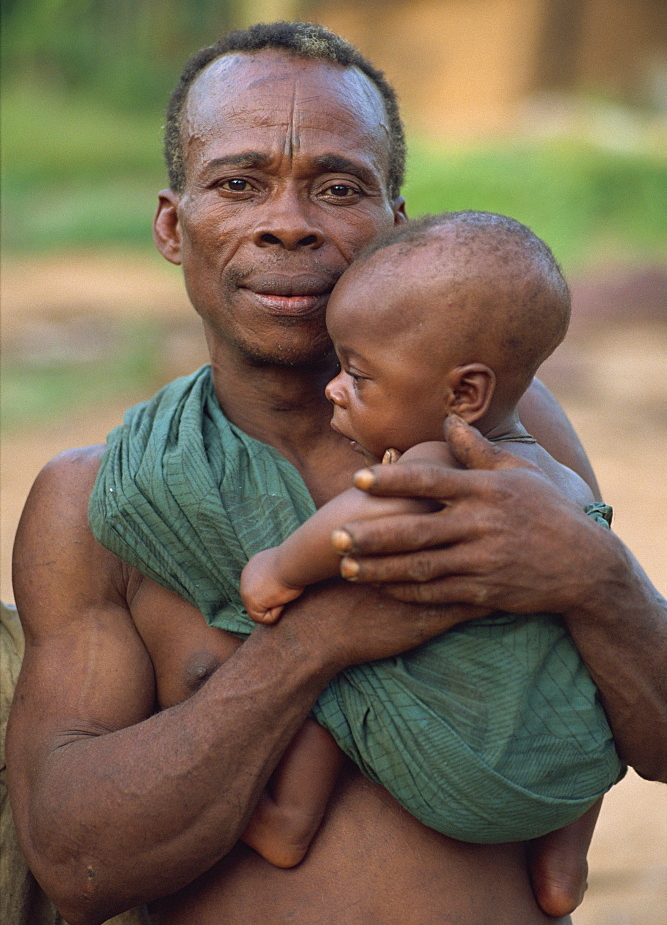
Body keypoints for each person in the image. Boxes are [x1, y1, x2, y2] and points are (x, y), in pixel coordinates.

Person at [6, 22, 666, 925]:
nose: (287, 220)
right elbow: (78, 865)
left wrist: (594, 577)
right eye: (239, 184)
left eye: (338, 187)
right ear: (172, 224)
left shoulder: (496, 428)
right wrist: (314, 643)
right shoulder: (100, 503)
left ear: (395, 223)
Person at [236, 211, 621, 885]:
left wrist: (277, 568)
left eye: (358, 375)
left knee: (334, 668)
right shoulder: (559, 480)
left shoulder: (438, 458)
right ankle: (563, 862)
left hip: (472, 765)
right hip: (568, 766)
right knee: (582, 679)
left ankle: (286, 823)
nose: (333, 386)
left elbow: (356, 517)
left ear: (463, 395)